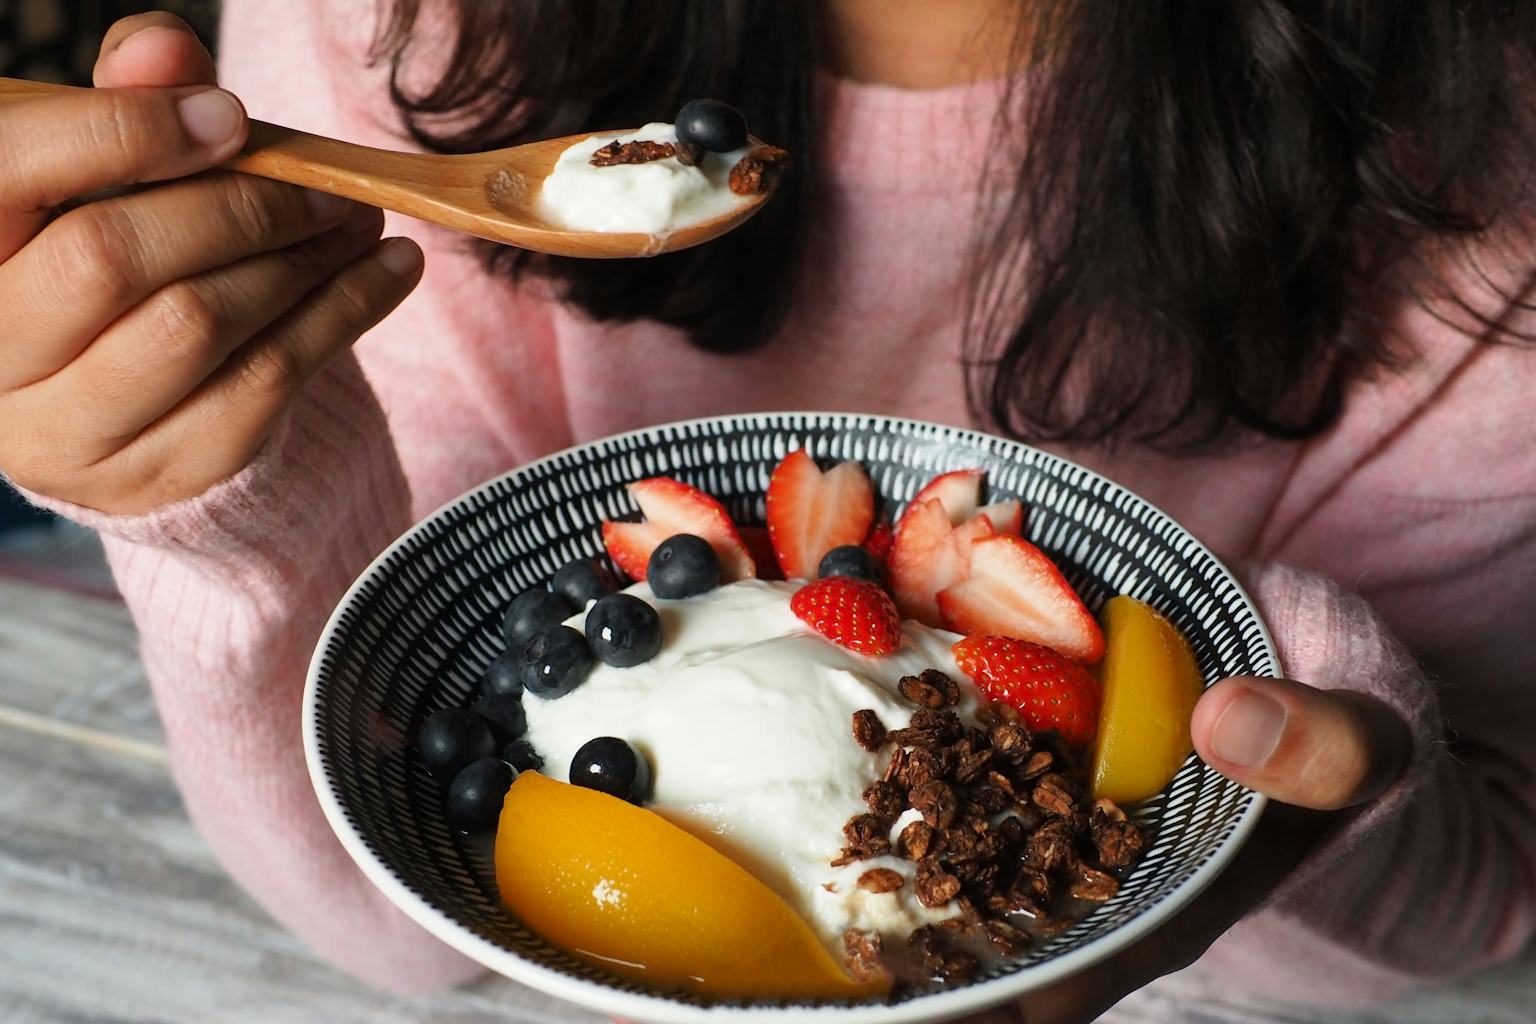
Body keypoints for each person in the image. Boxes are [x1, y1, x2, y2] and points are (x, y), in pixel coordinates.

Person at [1, 2, 1532, 1021]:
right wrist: (231, 505)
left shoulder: (1481, 151)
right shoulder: (398, 25)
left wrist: (1300, 719)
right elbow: (408, 912)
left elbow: (1483, 907)